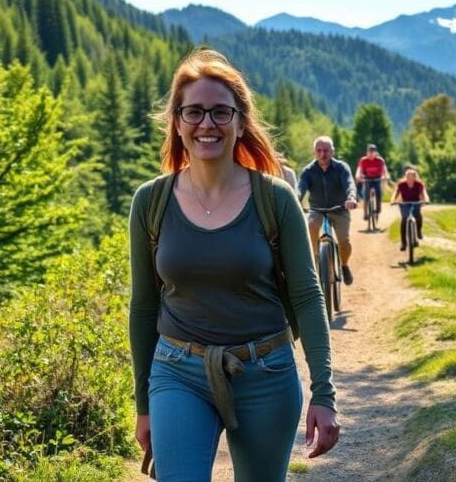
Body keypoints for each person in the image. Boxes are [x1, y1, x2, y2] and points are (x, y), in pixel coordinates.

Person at [128, 48, 339, 481]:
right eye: (194, 112)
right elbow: (144, 306)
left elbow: (306, 295)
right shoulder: (150, 202)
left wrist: (324, 392)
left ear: (241, 122)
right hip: (177, 373)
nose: (207, 124)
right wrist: (144, 405)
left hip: (266, 374)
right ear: (177, 122)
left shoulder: (275, 199)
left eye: (221, 112)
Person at [298, 136, 358, 285]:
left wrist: (351, 198)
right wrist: (295, 198)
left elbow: (350, 184)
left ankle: (344, 265)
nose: (322, 154)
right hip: (316, 209)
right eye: (318, 151)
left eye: (326, 150)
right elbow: (300, 187)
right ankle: (316, 261)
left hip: (339, 209)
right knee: (310, 226)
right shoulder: (308, 170)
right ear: (314, 152)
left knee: (344, 241)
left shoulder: (341, 168)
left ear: (332, 152)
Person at [390, 167, 430, 251]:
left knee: (418, 216)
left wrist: (426, 199)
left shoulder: (419, 184)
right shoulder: (401, 184)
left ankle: (418, 231)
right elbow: (395, 193)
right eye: (408, 177)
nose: (410, 179)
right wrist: (393, 200)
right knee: (404, 220)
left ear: (415, 178)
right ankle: (403, 243)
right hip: (405, 204)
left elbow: (424, 193)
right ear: (406, 177)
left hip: (416, 203)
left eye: (412, 177)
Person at [355, 143, 390, 219]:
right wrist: (358, 176)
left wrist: (386, 176)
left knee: (378, 193)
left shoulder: (380, 160)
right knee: (366, 195)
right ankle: (365, 213)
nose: (371, 154)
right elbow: (359, 169)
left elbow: (385, 170)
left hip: (377, 179)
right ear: (367, 152)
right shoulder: (363, 160)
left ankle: (378, 210)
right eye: (369, 152)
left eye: (372, 152)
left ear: (376, 153)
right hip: (367, 179)